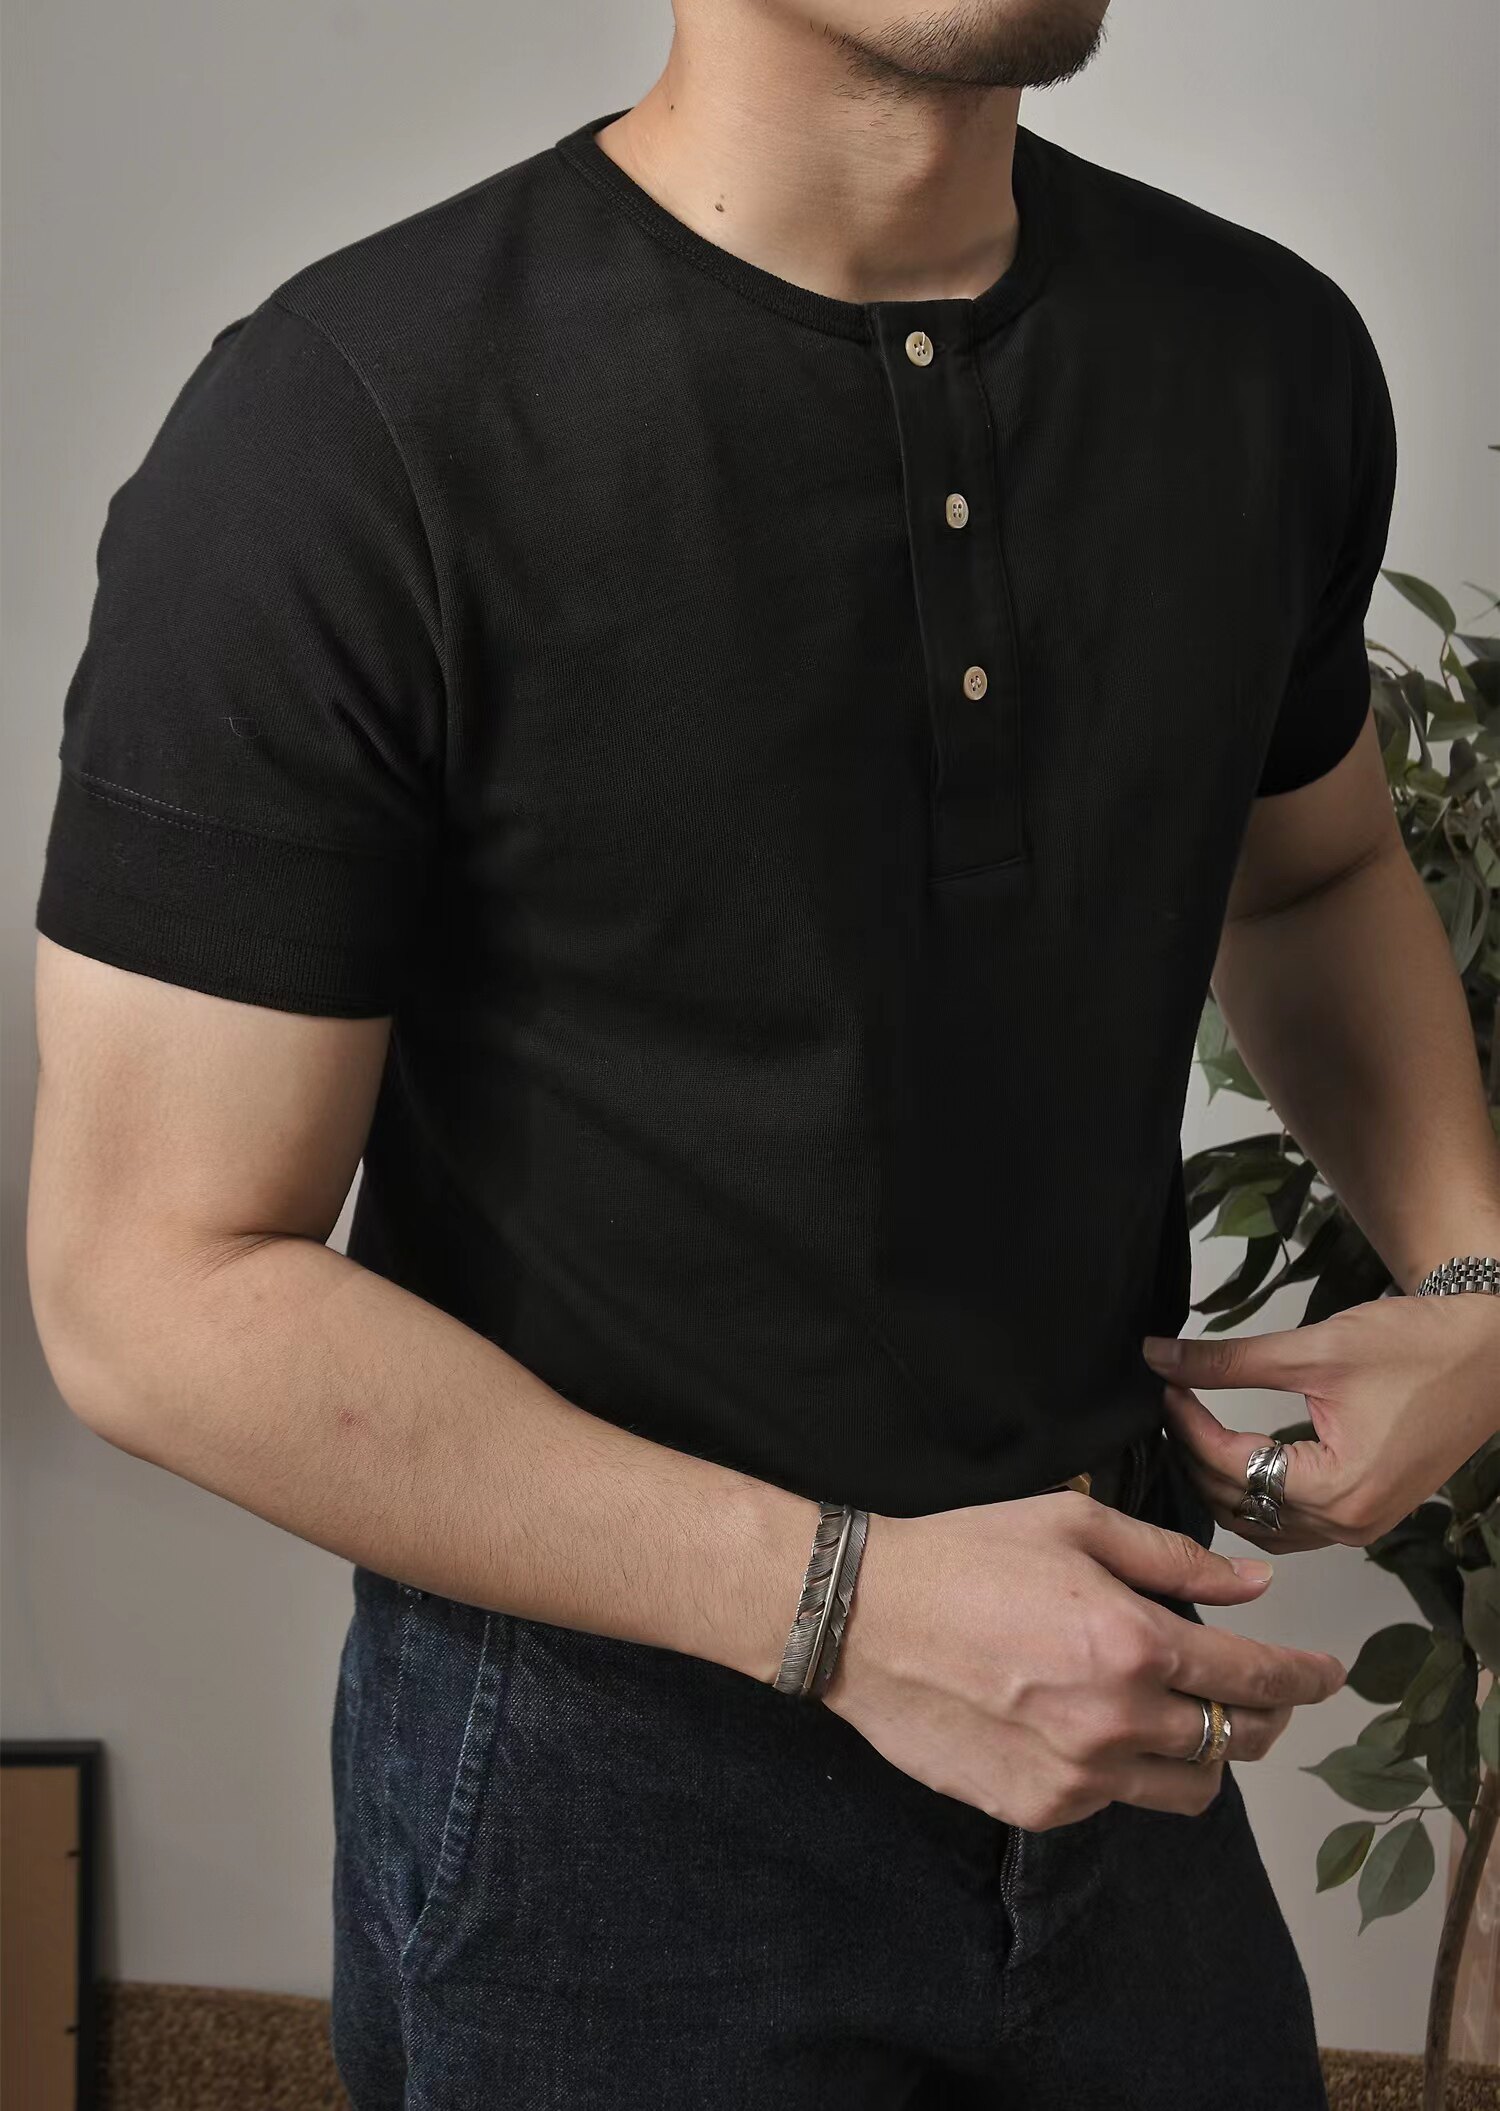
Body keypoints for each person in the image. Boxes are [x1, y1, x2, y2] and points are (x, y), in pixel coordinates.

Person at [26, 1, 1500, 2105]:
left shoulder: (1263, 355)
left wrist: (1475, 1281)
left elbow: (1316, 871)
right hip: (604, 1788)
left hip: (1123, 1727)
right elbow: (145, 1290)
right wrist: (852, 1610)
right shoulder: (344, 423)